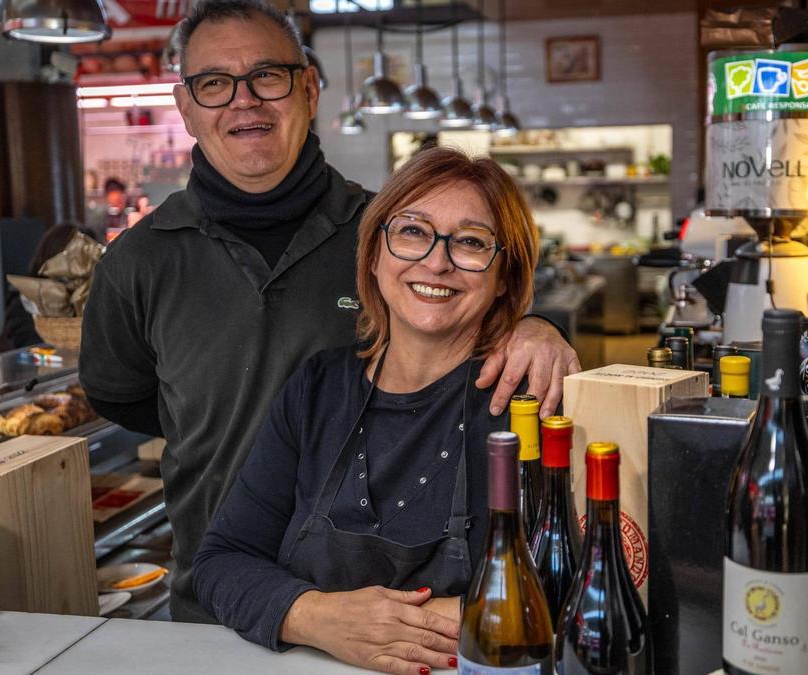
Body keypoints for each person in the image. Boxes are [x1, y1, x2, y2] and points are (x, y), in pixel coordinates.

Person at [78, 0, 578, 625]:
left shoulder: (390, 233)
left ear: (309, 88)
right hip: (223, 594)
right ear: (186, 107)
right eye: (213, 83)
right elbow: (120, 395)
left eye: (268, 75)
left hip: (394, 600)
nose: (244, 100)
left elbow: (484, 304)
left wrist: (540, 327)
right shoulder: (137, 261)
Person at [195, 146, 535, 674]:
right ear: (375, 256)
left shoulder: (526, 406)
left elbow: (579, 591)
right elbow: (222, 561)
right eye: (413, 231)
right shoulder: (315, 389)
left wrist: (475, 617)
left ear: (506, 278)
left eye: (470, 242)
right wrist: (316, 616)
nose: (437, 261)